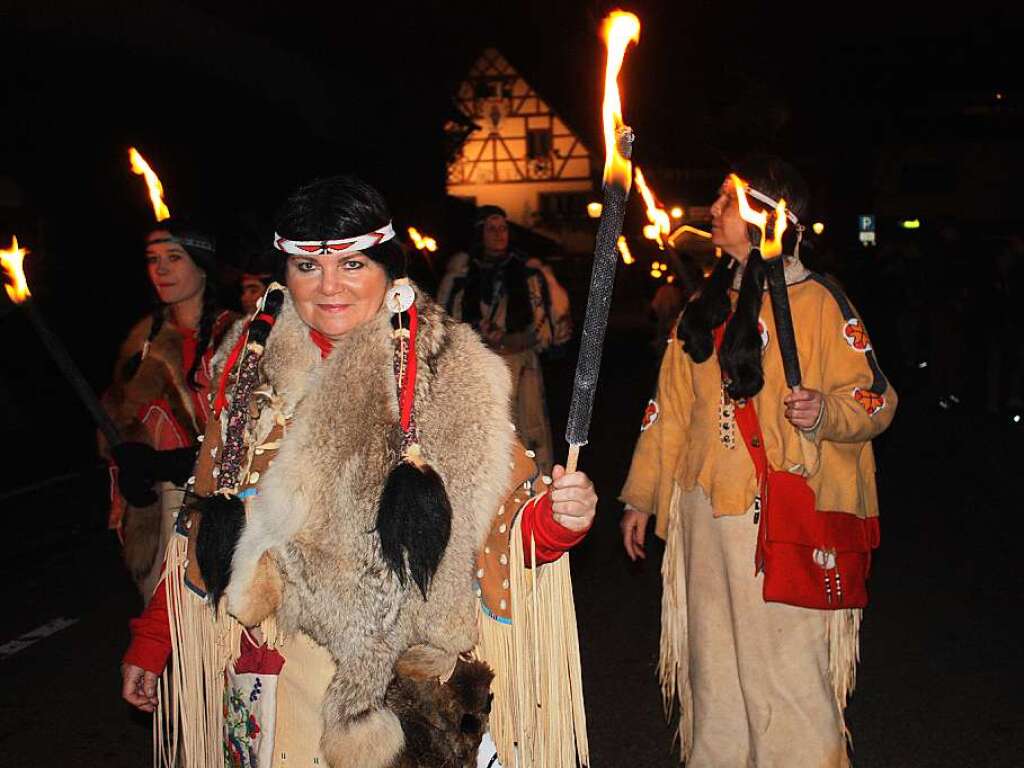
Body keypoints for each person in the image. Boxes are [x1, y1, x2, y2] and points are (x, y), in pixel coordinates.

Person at [120, 176, 596, 768]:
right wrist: (154, 637)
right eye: (307, 268)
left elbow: (507, 521)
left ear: (387, 270)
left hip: (408, 684)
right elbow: (205, 517)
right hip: (277, 670)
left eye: (352, 264)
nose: (329, 288)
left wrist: (557, 521)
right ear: (283, 274)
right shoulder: (247, 371)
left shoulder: (448, 370)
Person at [619, 157, 897, 767]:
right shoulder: (704, 304)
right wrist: (642, 495)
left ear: (768, 218)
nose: (713, 210)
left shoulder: (820, 301)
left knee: (784, 677)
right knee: (712, 672)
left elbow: (876, 398)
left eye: (727, 199)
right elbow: (669, 408)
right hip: (701, 516)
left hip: (777, 519)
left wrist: (825, 411)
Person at [102, 219, 237, 600]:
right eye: (152, 259)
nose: (160, 269)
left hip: (217, 502)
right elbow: (124, 423)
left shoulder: (238, 334)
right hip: (159, 509)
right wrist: (130, 469)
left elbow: (243, 434)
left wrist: (167, 464)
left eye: (173, 257)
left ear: (201, 265)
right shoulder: (141, 344)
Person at [438, 206, 571, 475]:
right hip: (478, 373)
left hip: (522, 371)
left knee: (528, 436)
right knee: (484, 440)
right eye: (491, 229)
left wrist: (515, 338)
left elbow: (548, 326)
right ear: (480, 234)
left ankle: (532, 499)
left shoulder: (528, 274)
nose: (499, 235)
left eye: (503, 228)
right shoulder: (463, 277)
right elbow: (447, 326)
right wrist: (479, 336)